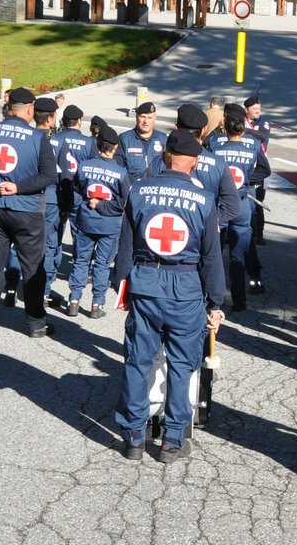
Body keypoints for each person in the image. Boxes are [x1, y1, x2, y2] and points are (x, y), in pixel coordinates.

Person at [113, 128, 226, 462]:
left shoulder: (139, 190)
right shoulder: (204, 200)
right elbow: (211, 257)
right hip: (186, 289)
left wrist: (122, 285)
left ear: (165, 157)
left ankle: (133, 436)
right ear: (194, 163)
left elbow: (125, 246)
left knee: (137, 360)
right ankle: (172, 441)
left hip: (145, 284)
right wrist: (215, 302)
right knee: (182, 365)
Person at [0, 86, 58, 337]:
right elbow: (49, 176)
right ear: (30, 110)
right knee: (33, 266)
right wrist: (18, 187)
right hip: (26, 210)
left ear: (9, 108)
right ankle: (36, 324)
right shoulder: (38, 138)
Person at [209, 103, 269, 312]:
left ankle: (212, 299)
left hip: (221, 203)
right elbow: (265, 169)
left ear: (224, 123)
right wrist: (247, 180)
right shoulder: (253, 144)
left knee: (214, 253)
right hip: (242, 201)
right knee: (238, 253)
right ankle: (240, 299)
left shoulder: (215, 143)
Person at [67, 124, 129, 318]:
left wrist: (95, 203)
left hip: (85, 220)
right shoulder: (121, 173)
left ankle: (74, 301)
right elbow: (124, 202)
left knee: (81, 260)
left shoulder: (84, 166)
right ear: (115, 147)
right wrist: (104, 206)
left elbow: (78, 186)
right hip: (109, 225)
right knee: (102, 264)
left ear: (98, 144)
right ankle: (96, 305)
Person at [32, 97, 69, 314]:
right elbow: (63, 175)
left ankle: (11, 286)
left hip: (27, 198)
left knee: (23, 244)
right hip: (52, 199)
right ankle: (43, 292)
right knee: (48, 246)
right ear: (51, 117)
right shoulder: (56, 141)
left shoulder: (26, 138)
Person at [51, 104, 93, 256]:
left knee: (55, 228)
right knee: (78, 231)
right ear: (79, 121)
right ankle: (79, 262)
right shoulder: (88, 142)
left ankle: (53, 262)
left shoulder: (55, 139)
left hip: (57, 188)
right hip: (78, 191)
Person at [243, 96, 272, 252]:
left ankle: (258, 234)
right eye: (255, 109)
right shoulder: (241, 120)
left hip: (259, 168)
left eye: (259, 109)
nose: (258, 112)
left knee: (258, 202)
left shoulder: (263, 122)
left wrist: (245, 131)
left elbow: (262, 136)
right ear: (247, 109)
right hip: (244, 166)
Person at [117, 101, 166, 182]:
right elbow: (118, 168)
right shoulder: (124, 139)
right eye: (142, 117)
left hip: (156, 187)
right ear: (136, 117)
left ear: (155, 118)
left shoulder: (163, 139)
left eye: (149, 118)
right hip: (132, 187)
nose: (145, 121)